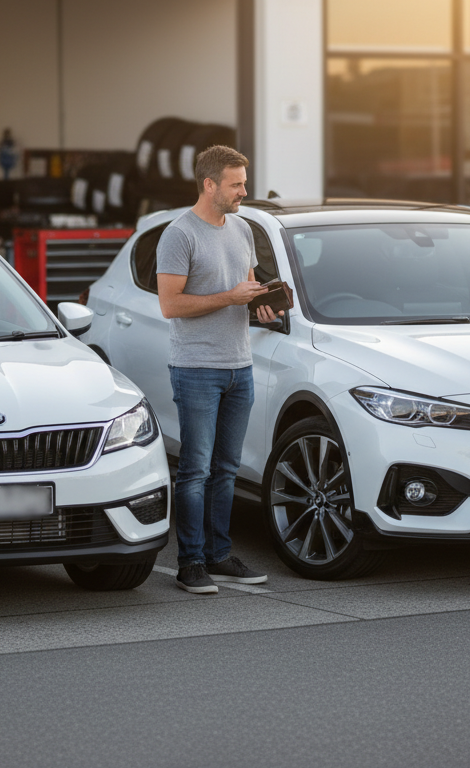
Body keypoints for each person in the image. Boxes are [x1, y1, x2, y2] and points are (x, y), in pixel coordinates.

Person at [157, 145, 279, 594]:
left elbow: (244, 290)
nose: (245, 191)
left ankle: (219, 555)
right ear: (210, 185)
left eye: (244, 183)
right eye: (237, 184)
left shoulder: (243, 229)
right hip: (196, 369)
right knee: (195, 470)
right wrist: (231, 297)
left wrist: (260, 306)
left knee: (226, 469)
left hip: (238, 367)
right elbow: (171, 305)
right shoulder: (179, 234)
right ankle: (190, 563)